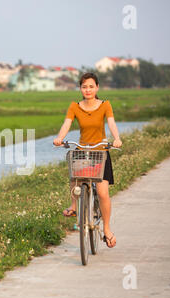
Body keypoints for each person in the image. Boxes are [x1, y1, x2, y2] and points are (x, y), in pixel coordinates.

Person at [53, 72, 122, 248]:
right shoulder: (74, 107)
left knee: (103, 192)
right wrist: (59, 138)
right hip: (83, 150)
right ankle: (74, 205)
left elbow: (112, 123)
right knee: (74, 177)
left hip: (101, 152)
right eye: (84, 86)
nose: (88, 90)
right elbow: (66, 124)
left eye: (91, 86)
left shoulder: (105, 105)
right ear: (80, 88)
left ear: (97, 87)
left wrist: (117, 138)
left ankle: (106, 229)